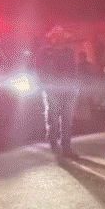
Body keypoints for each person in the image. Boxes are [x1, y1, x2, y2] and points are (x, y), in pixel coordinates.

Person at [34, 25, 79, 157]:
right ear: (52, 38)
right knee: (53, 116)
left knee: (66, 118)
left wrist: (75, 85)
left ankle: (66, 146)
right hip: (52, 88)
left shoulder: (68, 51)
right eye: (57, 35)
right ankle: (54, 143)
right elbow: (40, 69)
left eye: (62, 35)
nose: (60, 38)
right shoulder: (45, 51)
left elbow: (73, 69)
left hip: (68, 88)